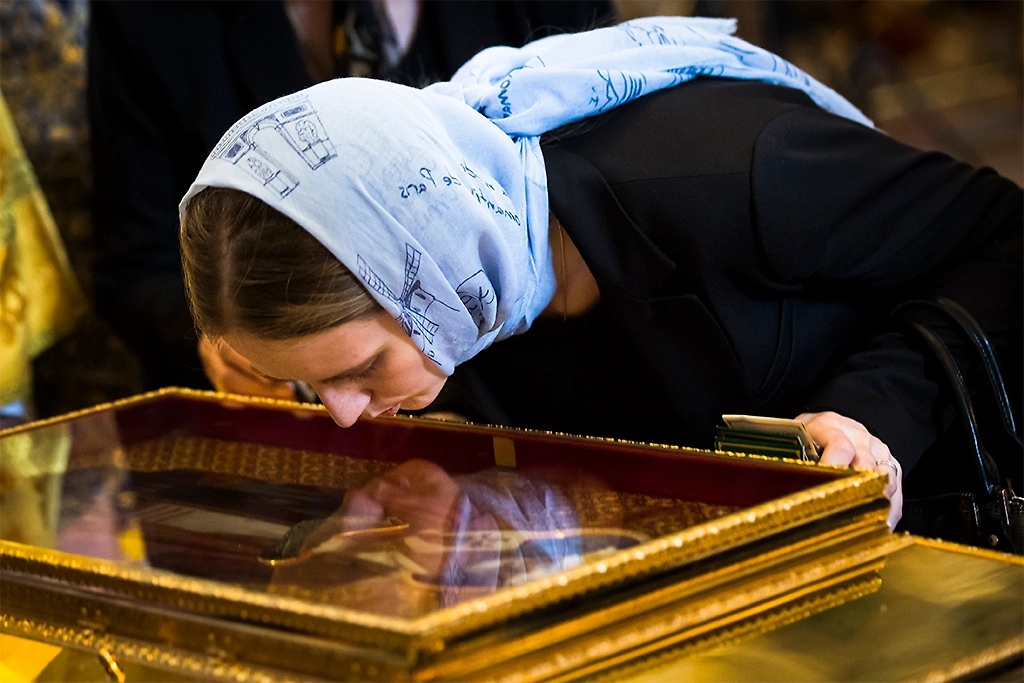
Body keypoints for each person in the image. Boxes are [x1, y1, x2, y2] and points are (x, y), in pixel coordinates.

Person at [178, 17, 1024, 528]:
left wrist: (871, 411)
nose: (347, 420)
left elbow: (1008, 238)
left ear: (429, 275)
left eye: (358, 371)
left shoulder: (733, 177)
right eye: (311, 388)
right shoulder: (473, 271)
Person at [88, 0, 615, 396]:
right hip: (314, 431)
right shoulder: (149, 18)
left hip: (568, 371)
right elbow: (135, 266)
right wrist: (237, 339)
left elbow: (604, 164)